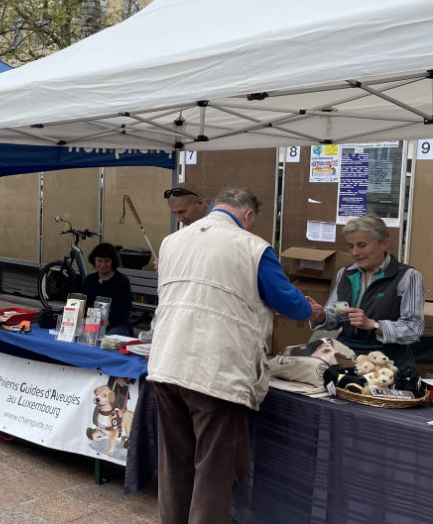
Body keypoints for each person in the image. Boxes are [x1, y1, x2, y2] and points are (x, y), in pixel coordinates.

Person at [148, 188, 321, 524]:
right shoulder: (253, 247)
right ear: (248, 216)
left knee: (175, 466)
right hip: (215, 370)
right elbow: (288, 301)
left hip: (166, 362)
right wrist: (313, 310)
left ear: (213, 207)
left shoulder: (172, 242)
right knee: (216, 468)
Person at [308, 215, 425, 369]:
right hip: (345, 357)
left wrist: (373, 325)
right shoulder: (345, 273)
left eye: (362, 245)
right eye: (351, 246)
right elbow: (337, 315)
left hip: (386, 364)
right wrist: (321, 315)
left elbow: (413, 328)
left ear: (384, 243)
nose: (355, 252)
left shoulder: (407, 276)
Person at [82, 243, 133, 336]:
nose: (103, 264)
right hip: (92, 322)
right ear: (94, 261)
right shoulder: (90, 279)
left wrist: (105, 323)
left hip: (117, 324)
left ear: (113, 262)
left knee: (106, 341)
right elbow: (86, 304)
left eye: (107, 261)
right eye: (99, 260)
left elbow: (121, 308)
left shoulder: (122, 281)